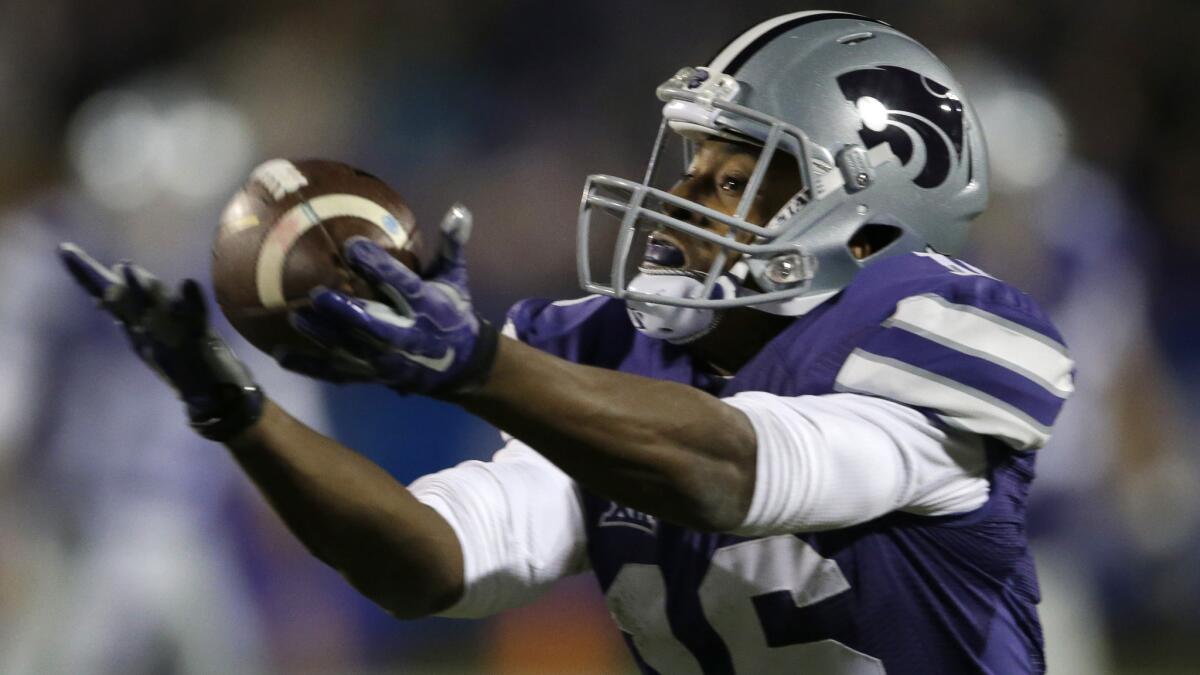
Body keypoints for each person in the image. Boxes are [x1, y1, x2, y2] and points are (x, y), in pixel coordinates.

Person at [58, 11, 1073, 674]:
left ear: (869, 220)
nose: (679, 199)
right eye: (689, 164)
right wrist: (237, 411)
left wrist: (484, 368)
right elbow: (430, 563)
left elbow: (733, 468)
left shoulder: (939, 336)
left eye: (730, 178)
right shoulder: (615, 355)